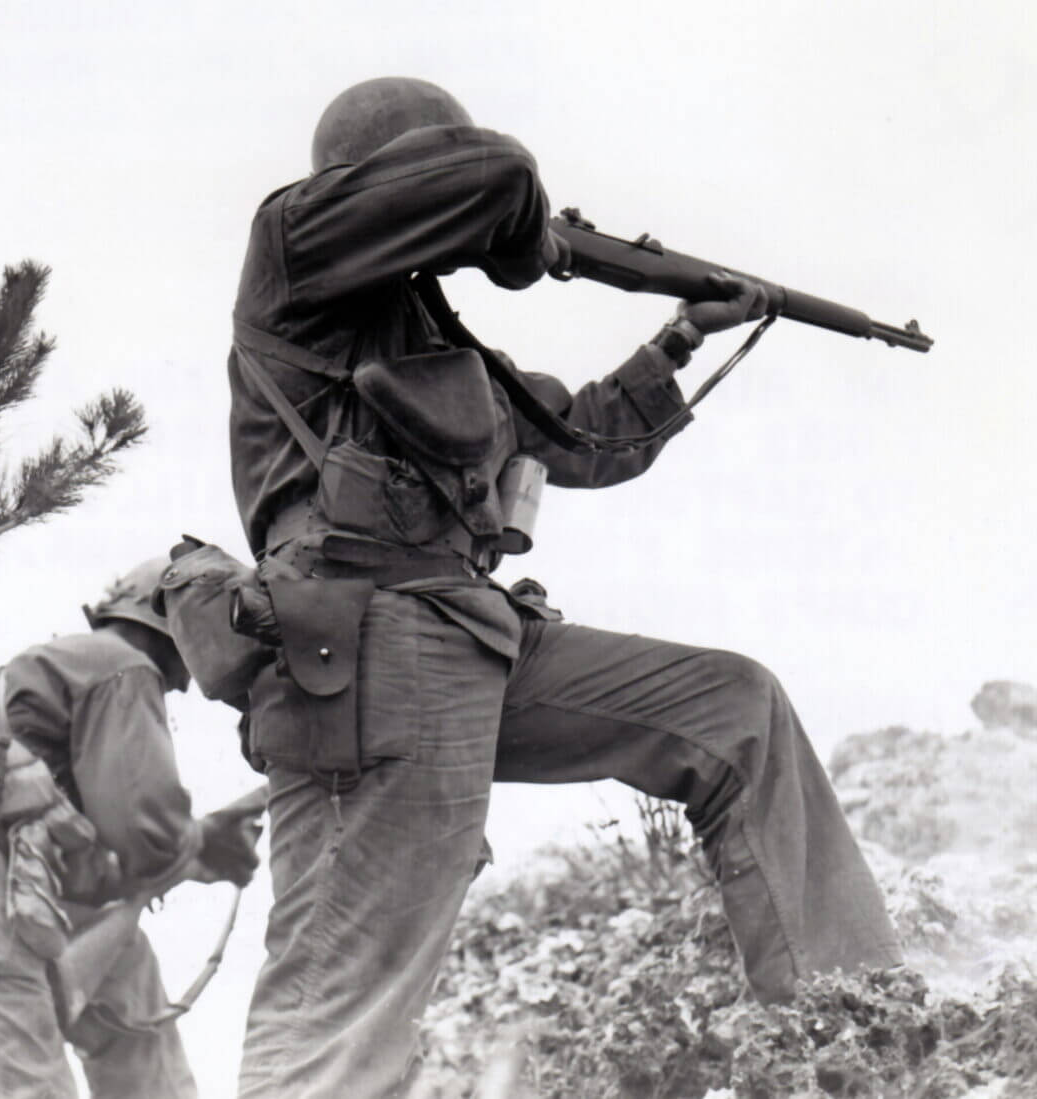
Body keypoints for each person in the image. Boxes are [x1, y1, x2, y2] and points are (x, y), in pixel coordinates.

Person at [226, 77, 902, 1097]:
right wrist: (534, 239)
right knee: (342, 993)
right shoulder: (293, 255)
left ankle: (847, 1020)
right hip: (365, 647)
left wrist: (677, 335)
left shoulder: (431, 332)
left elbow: (582, 440)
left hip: (472, 636)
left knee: (734, 710)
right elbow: (494, 174)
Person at [0, 557, 263, 1099]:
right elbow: (147, 835)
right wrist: (202, 842)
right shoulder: (118, 664)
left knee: (130, 996)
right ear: (180, 616)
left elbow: (109, 846)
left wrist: (190, 850)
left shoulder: (72, 666)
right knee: (10, 1085)